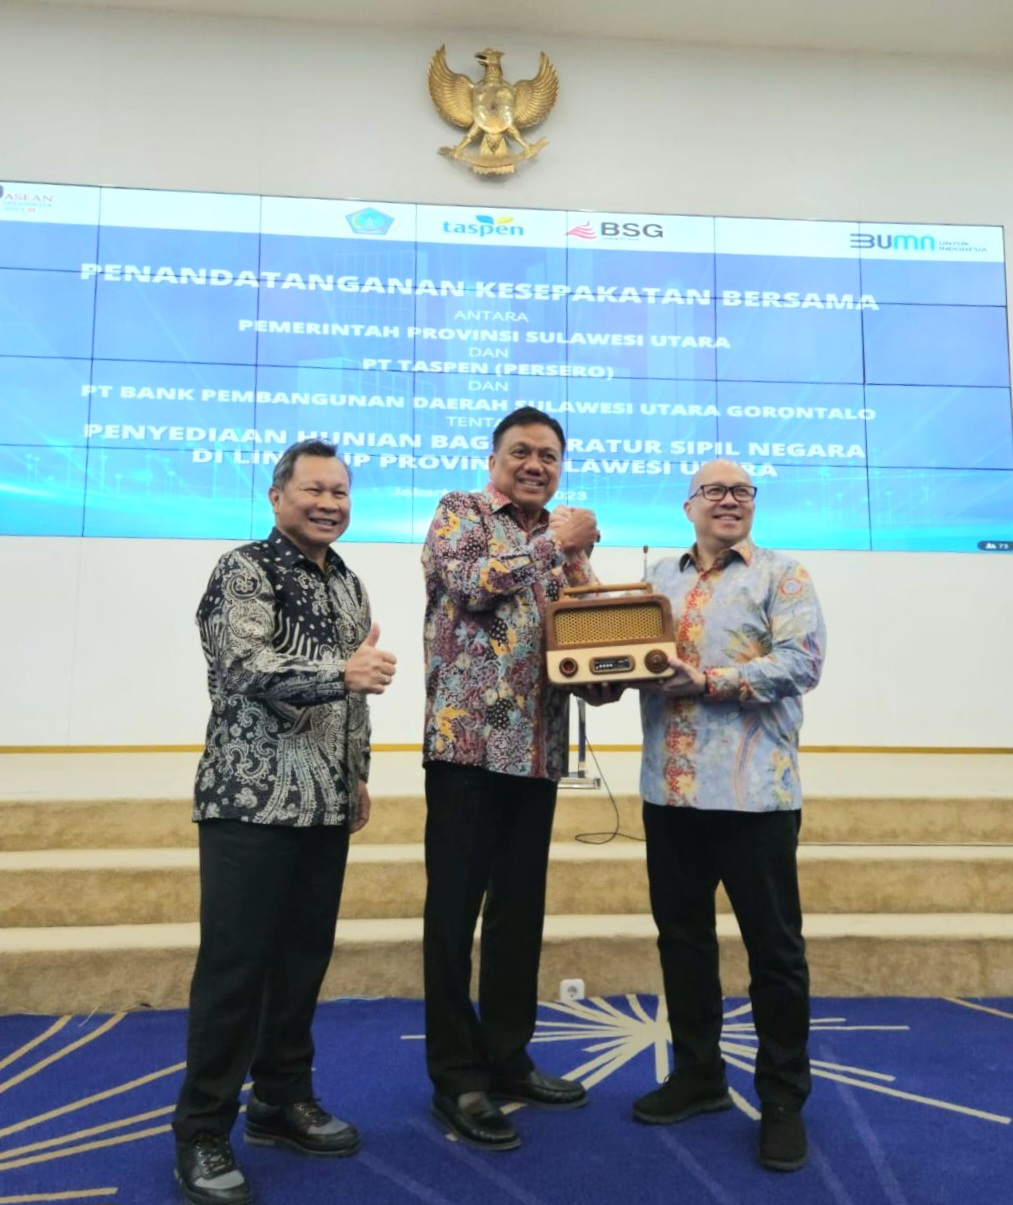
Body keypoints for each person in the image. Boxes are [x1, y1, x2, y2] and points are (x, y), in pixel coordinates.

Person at [172, 439, 397, 1205]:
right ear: (277, 497)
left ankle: (279, 1097)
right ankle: (201, 1131)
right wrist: (340, 672)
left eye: (340, 491)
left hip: (323, 802)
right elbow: (241, 666)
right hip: (250, 799)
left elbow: (358, 692)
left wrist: (356, 772)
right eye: (314, 489)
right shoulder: (245, 569)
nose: (329, 503)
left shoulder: (349, 582)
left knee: (302, 961)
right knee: (234, 969)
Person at [632, 458, 826, 1174]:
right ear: (688, 505)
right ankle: (698, 1075)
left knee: (774, 954)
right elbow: (627, 655)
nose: (728, 500)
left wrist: (709, 681)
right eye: (713, 490)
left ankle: (782, 1099)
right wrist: (596, 677)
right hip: (670, 794)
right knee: (682, 943)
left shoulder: (783, 575)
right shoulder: (657, 577)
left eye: (741, 490)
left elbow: (801, 663)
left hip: (754, 798)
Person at [420, 407, 600, 1151]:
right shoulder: (461, 512)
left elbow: (591, 630)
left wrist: (615, 667)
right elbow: (471, 585)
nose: (535, 464)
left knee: (518, 916)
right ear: (494, 458)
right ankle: (455, 1076)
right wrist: (556, 543)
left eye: (549, 455)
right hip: (465, 751)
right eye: (521, 451)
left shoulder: (565, 539)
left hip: (536, 754)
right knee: (453, 916)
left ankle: (506, 1056)